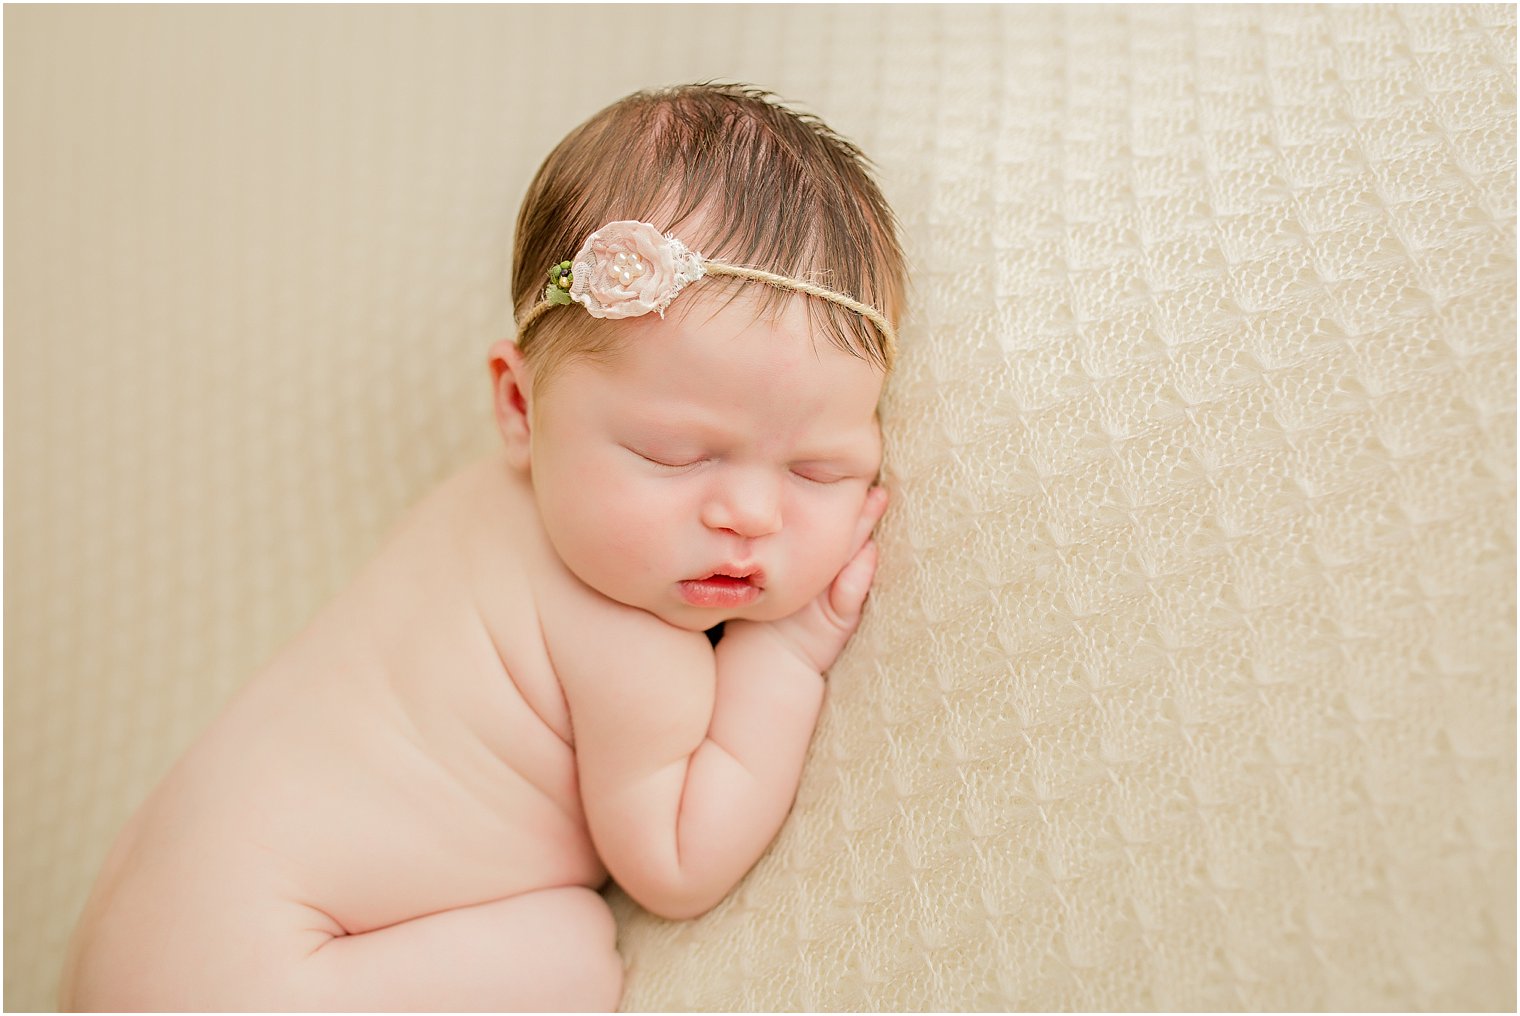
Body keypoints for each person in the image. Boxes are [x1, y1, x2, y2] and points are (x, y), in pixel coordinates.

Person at [59, 81, 907, 1012]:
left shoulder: (482, 503)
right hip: (269, 977)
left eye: (819, 472)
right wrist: (785, 652)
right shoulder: (631, 649)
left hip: (145, 928)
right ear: (520, 409)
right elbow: (676, 863)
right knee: (577, 950)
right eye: (672, 454)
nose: (748, 513)